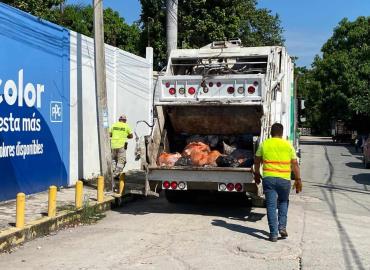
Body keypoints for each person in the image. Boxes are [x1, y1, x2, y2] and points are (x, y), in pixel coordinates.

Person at [253, 123, 302, 242]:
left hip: (269, 179)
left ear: (271, 132)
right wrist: (298, 179)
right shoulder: (288, 145)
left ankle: (273, 234)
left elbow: (257, 160)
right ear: (282, 133)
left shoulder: (264, 144)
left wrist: (257, 174)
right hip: (284, 180)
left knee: (271, 206)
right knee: (284, 202)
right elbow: (295, 164)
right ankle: (282, 227)